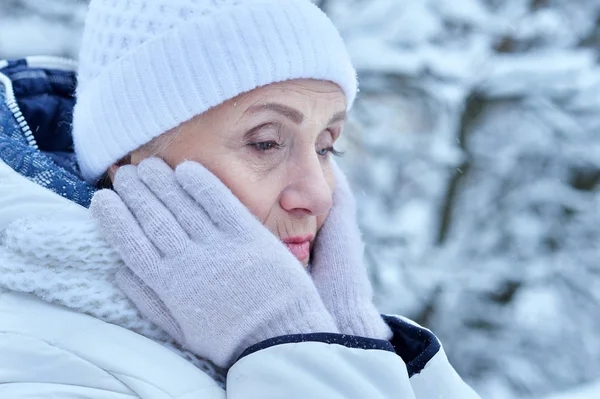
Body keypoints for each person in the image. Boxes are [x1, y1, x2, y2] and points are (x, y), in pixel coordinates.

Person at [0, 0, 480, 397]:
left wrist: (349, 335)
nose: (316, 194)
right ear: (128, 162)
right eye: (266, 143)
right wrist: (289, 342)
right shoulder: (39, 364)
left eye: (326, 145)